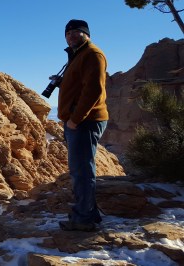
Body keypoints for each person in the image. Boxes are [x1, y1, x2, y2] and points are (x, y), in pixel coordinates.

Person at [57, 19, 109, 232]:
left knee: (82, 171)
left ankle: (83, 219)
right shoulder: (78, 55)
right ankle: (89, 212)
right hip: (80, 121)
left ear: (86, 34)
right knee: (81, 168)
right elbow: (81, 85)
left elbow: (93, 91)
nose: (71, 36)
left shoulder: (92, 55)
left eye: (77, 32)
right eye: (68, 33)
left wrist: (75, 119)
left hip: (85, 122)